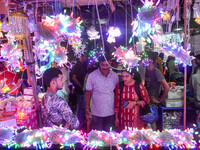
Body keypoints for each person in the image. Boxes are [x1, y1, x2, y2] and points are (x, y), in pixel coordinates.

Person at [85, 56, 119, 131]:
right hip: (97, 112)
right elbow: (88, 92)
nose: (105, 67)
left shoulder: (114, 76)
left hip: (110, 111)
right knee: (97, 136)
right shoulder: (92, 76)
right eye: (103, 65)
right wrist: (87, 108)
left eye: (107, 65)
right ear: (99, 64)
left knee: (108, 136)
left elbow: (117, 92)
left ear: (110, 63)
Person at [145, 52, 169, 130]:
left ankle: (153, 141)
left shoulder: (156, 72)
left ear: (150, 60)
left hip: (152, 102)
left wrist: (159, 100)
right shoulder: (145, 71)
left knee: (151, 124)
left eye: (145, 59)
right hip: (146, 101)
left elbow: (166, 87)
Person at [70, 54, 87, 128]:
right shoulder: (78, 66)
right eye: (85, 56)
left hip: (80, 90)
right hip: (79, 90)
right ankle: (78, 125)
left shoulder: (81, 65)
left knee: (80, 107)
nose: (86, 58)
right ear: (81, 57)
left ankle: (80, 123)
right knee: (80, 107)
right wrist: (81, 86)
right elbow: (74, 77)